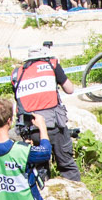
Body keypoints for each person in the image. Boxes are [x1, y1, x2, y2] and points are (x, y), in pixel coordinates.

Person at [10, 40, 81, 181]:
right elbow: (70, 89)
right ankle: (77, 196)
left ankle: (44, 196)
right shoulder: (51, 65)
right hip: (53, 126)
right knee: (67, 165)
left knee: (40, 168)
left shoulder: (17, 73)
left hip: (29, 128)